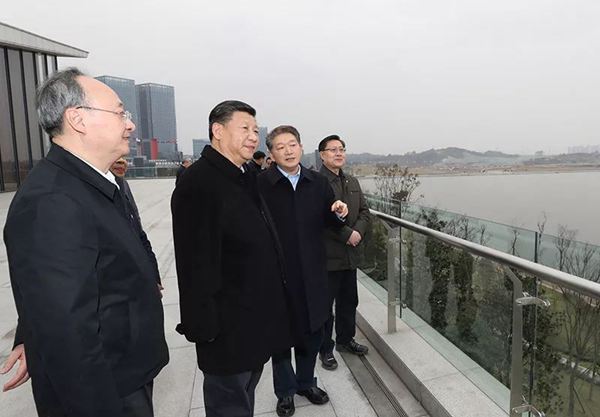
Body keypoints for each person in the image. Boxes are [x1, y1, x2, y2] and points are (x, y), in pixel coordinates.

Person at [3, 68, 169, 417]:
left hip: (126, 370)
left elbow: (56, 289)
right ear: (77, 119)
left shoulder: (93, 182)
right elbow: (67, 333)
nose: (130, 124)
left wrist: (28, 331)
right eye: (120, 113)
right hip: (105, 391)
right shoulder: (52, 200)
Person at [171, 101, 292, 417]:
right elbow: (193, 264)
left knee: (245, 396)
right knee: (229, 403)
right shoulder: (198, 183)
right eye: (245, 129)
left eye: (256, 130)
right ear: (218, 131)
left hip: (254, 318)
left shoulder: (244, 174)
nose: (253, 136)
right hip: (226, 329)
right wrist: (205, 329)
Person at [257, 125, 348, 417]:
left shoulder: (317, 183)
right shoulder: (260, 185)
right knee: (281, 336)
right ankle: (285, 392)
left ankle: (306, 383)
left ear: (301, 147)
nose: (288, 151)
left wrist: (338, 211)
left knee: (312, 332)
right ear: (271, 153)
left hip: (313, 272)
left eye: (292, 144)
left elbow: (330, 220)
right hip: (277, 274)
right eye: (280, 147)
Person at [317, 135, 372, 371]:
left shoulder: (352, 181)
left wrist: (357, 232)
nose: (338, 153)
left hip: (350, 255)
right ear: (322, 155)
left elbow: (365, 212)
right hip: (327, 256)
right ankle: (325, 349)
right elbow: (317, 218)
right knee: (324, 306)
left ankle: (345, 340)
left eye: (341, 149)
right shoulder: (316, 183)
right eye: (333, 150)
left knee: (349, 301)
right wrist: (347, 234)